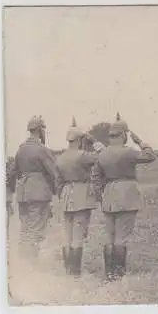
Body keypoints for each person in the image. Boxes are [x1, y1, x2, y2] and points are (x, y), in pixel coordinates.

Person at [92, 113, 156, 282]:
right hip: (126, 193)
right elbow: (150, 156)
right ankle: (119, 274)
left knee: (110, 237)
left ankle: (109, 273)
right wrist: (140, 142)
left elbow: (96, 177)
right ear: (123, 135)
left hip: (109, 195)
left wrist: (101, 196)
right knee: (122, 236)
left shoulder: (102, 154)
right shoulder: (128, 152)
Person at [55, 117, 105, 276]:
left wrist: (62, 196)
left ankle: (68, 270)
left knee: (67, 235)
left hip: (65, 196)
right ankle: (75, 273)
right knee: (78, 235)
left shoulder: (60, 158)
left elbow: (58, 182)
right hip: (81, 195)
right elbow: (103, 157)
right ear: (79, 140)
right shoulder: (83, 155)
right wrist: (96, 144)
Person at [7, 115, 61, 262]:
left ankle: (23, 263)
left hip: (23, 193)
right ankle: (30, 265)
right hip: (38, 192)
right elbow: (54, 172)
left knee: (25, 229)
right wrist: (57, 191)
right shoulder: (41, 149)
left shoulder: (21, 149)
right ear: (39, 130)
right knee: (35, 229)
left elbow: (13, 173)